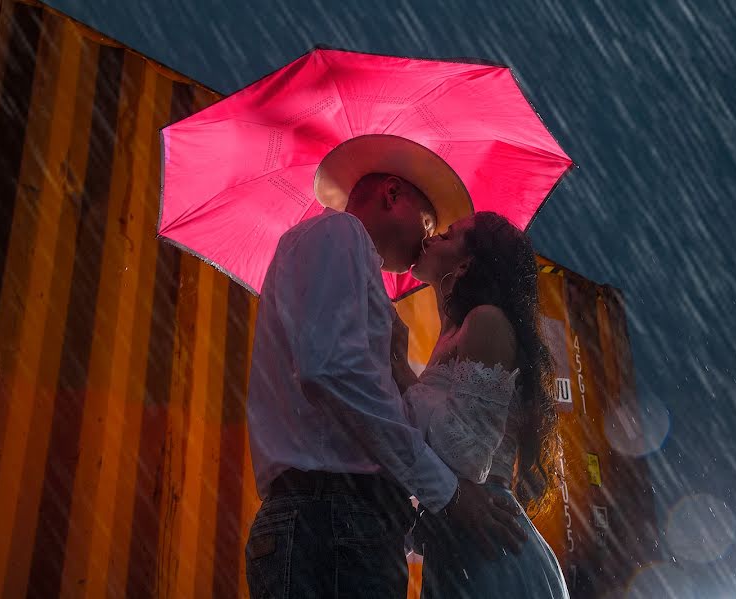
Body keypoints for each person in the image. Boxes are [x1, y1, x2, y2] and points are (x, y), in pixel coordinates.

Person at [244, 136, 527, 599]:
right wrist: (448, 494)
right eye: (430, 221)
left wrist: (391, 360)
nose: (429, 236)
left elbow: (339, 379)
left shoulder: (343, 257)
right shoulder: (341, 235)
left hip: (331, 522)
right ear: (393, 194)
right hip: (333, 522)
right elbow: (333, 372)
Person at [392, 211, 571, 598]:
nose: (432, 238)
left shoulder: (486, 321)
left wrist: (402, 377)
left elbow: (468, 454)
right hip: (462, 543)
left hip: (492, 547)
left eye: (448, 235)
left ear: (466, 262)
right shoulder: (453, 333)